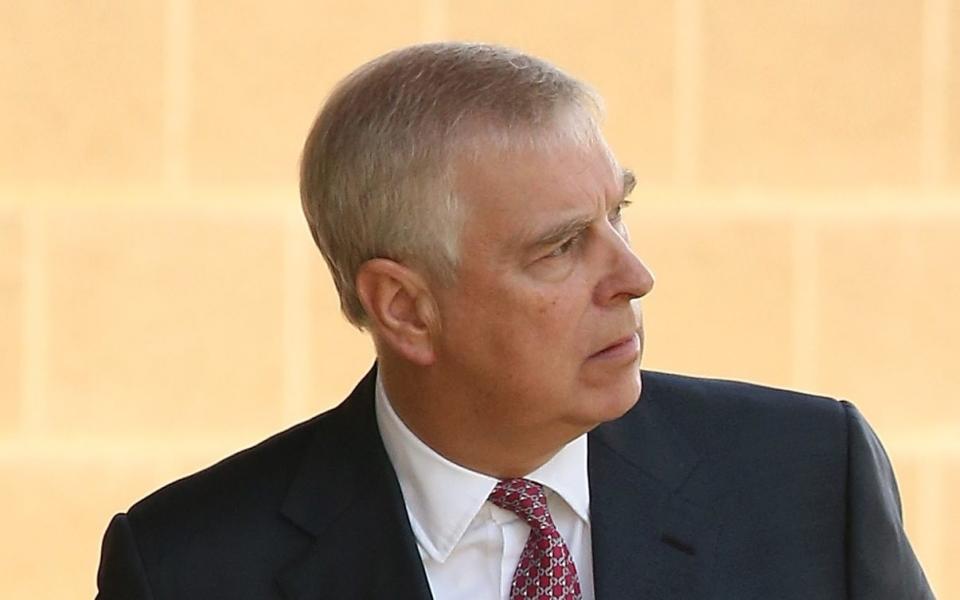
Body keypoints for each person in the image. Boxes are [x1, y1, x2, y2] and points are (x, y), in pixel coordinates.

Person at [96, 42, 933, 600]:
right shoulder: (186, 567)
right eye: (562, 247)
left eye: (619, 214)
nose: (635, 278)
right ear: (405, 308)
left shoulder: (809, 480)